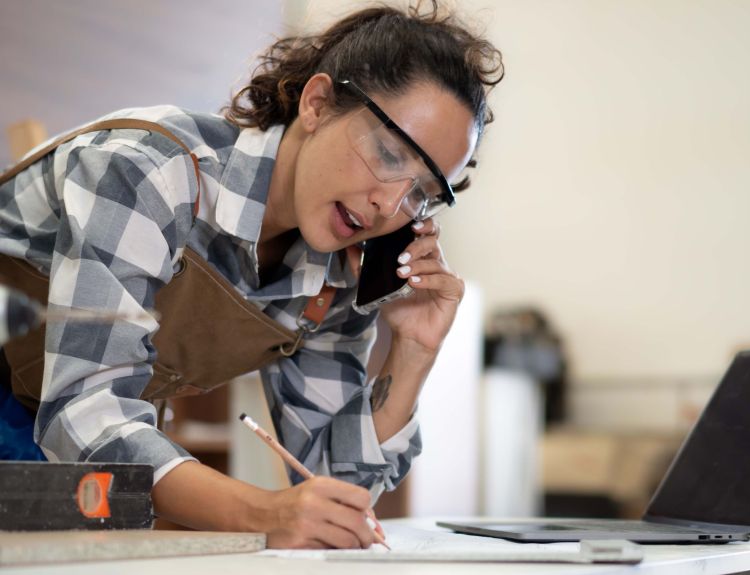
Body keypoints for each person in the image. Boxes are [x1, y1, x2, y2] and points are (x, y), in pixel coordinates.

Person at [0, 0, 503, 548]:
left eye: (422, 195)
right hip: (55, 425)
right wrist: (265, 513)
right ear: (318, 103)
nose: (389, 206)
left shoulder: (333, 270)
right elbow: (86, 408)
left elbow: (335, 488)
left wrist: (412, 350)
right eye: (387, 154)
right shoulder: (147, 170)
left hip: (63, 446)